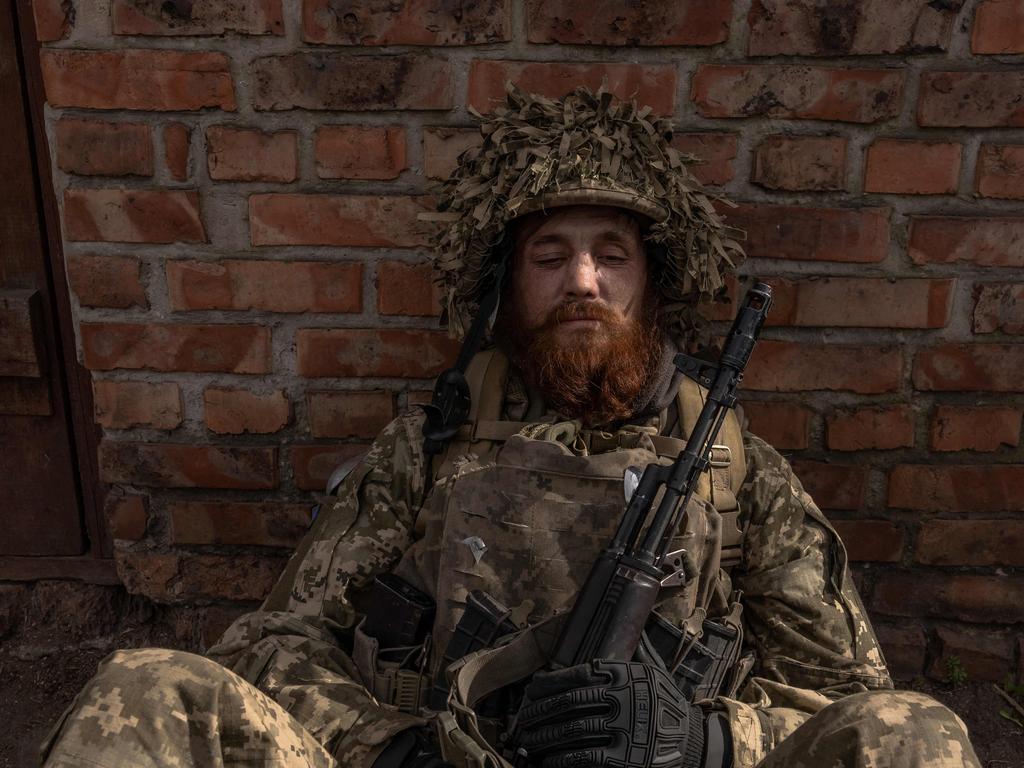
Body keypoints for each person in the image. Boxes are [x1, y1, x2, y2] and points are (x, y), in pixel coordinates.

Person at [41, 86, 980, 768]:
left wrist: (705, 740)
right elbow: (276, 643)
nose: (582, 281)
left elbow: (850, 695)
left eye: (611, 255)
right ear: (509, 286)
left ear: (650, 282)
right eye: (551, 255)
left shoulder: (738, 468)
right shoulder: (429, 444)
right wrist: (389, 746)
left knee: (917, 735)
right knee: (148, 689)